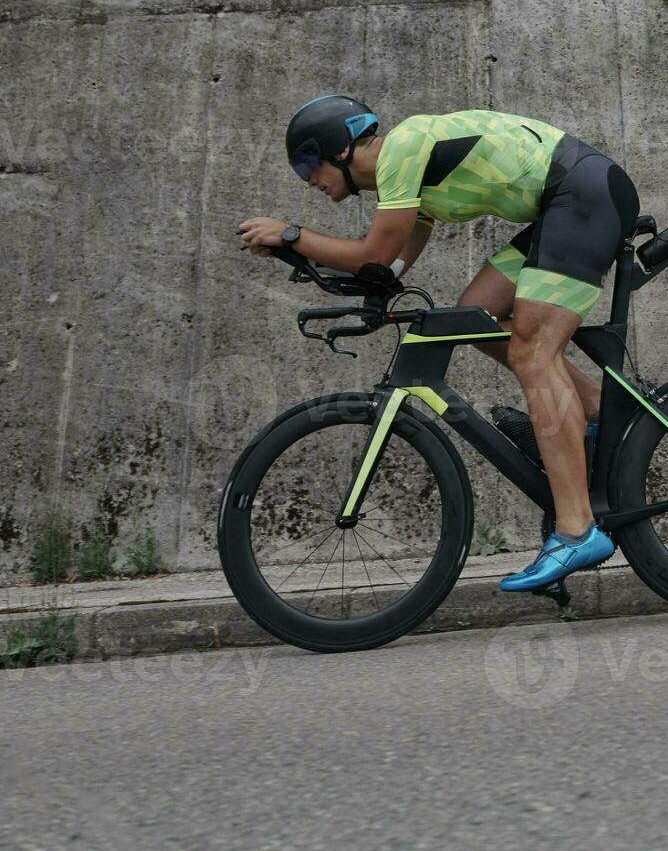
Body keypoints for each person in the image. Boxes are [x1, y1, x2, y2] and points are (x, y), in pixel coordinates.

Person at [237, 95, 639, 592]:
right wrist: (370, 297)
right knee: (476, 318)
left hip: (583, 195)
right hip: (568, 202)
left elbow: (373, 250)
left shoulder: (402, 148)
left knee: (533, 352)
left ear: (338, 150)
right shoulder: (407, 182)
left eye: (306, 164)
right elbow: (387, 265)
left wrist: (292, 234)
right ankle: (595, 409)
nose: (309, 181)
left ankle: (577, 529)